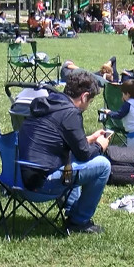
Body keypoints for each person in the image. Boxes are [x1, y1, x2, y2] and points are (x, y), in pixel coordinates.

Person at [18, 70, 111, 234]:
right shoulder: (70, 113)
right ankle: (79, 220)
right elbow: (84, 155)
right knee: (103, 165)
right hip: (40, 186)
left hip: (18, 178)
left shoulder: (50, 103)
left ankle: (71, 207)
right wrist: (100, 146)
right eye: (89, 101)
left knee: (70, 155)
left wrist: (88, 140)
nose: (87, 106)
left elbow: (57, 140)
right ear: (84, 96)